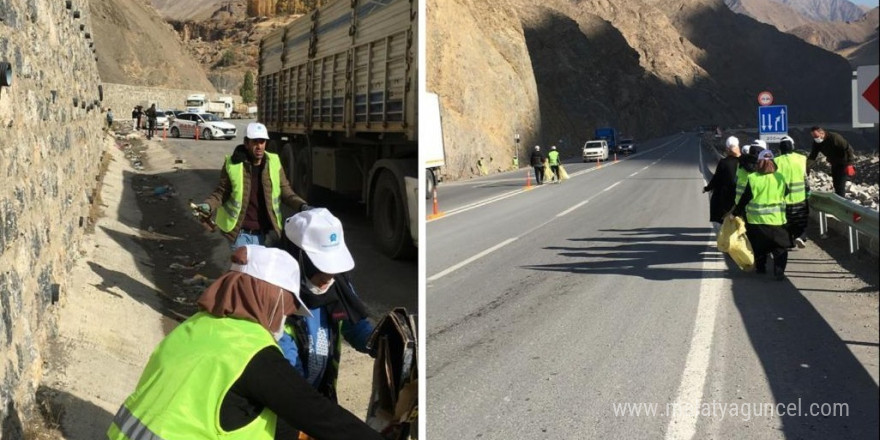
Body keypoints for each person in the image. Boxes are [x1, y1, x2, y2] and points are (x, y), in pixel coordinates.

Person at [107, 245, 385, 440]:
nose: (285, 318)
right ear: (271, 299)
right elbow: (316, 413)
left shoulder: (193, 327)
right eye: (286, 309)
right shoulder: (253, 352)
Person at [277, 209, 375, 406]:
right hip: (290, 402)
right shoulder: (276, 294)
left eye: (333, 268)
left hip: (321, 393)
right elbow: (286, 368)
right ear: (297, 257)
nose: (328, 277)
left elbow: (354, 325)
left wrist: (379, 341)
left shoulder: (338, 285)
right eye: (320, 267)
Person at [196, 122, 309, 250]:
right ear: (246, 143)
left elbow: (286, 191)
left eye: (262, 142)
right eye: (255, 142)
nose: (259, 146)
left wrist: (302, 205)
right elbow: (221, 192)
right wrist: (208, 205)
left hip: (267, 234)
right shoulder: (233, 164)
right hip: (241, 235)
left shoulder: (274, 162)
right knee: (244, 270)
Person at [731, 150, 791, 280]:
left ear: (759, 162)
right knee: (780, 247)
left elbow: (745, 199)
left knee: (758, 246)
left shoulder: (752, 178)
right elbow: (787, 192)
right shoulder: (780, 177)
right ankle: (779, 271)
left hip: (756, 220)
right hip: (777, 220)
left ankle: (761, 268)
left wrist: (735, 213)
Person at [775, 135, 809, 248]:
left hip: (783, 199)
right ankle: (800, 236)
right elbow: (805, 178)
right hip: (800, 198)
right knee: (800, 220)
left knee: (786, 222)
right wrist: (808, 191)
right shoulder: (801, 158)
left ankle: (789, 241)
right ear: (792, 146)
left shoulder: (776, 161)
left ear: (780, 148)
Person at [807, 126, 856, 197]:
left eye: (816, 136)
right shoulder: (817, 143)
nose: (816, 138)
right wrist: (807, 166)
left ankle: (841, 201)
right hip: (834, 163)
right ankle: (839, 199)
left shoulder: (835, 138)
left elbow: (848, 149)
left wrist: (850, 164)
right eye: (814, 137)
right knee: (836, 183)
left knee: (840, 184)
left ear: (822, 133)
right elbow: (813, 155)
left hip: (844, 163)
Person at [703, 136, 740, 224]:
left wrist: (707, 188)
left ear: (727, 148)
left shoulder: (724, 162)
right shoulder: (743, 162)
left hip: (726, 197)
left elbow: (716, 179)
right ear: (738, 147)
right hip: (740, 196)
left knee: (725, 220)